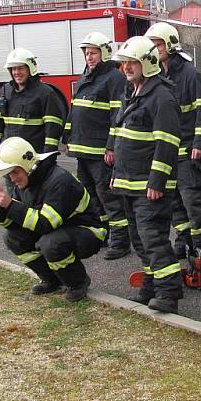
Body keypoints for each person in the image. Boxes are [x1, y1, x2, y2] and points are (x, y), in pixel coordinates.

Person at [109, 36, 183, 314]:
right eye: (125, 63)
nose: (127, 67)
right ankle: (151, 286)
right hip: (129, 182)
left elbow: (167, 143)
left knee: (154, 239)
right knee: (140, 239)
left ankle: (169, 293)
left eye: (133, 62)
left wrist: (157, 182)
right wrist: (116, 174)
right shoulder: (133, 93)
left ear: (147, 63)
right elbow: (123, 139)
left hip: (148, 186)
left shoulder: (161, 97)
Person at [0, 136, 104, 302]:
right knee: (13, 239)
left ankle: (77, 282)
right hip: (59, 231)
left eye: (15, 172)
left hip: (89, 232)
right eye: (9, 174)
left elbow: (45, 224)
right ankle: (51, 279)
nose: (12, 178)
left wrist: (10, 205)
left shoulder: (59, 181)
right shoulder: (27, 181)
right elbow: (14, 224)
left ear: (27, 164)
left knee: (50, 243)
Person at [145, 22, 201, 261]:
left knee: (194, 203)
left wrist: (199, 144)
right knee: (175, 203)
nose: (155, 50)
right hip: (168, 153)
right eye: (152, 46)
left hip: (188, 152)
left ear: (170, 45)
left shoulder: (190, 74)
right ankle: (184, 242)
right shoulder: (155, 76)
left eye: (158, 45)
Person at [61, 32, 131, 260]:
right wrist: (67, 134)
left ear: (105, 52)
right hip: (82, 150)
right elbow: (75, 108)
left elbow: (116, 116)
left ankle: (121, 241)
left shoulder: (113, 78)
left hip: (100, 152)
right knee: (91, 196)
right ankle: (105, 234)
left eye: (93, 53)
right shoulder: (86, 77)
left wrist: (111, 147)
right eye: (86, 53)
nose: (89, 57)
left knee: (109, 196)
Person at [0, 48, 65, 162]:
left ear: (30, 69)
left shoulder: (45, 93)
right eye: (13, 69)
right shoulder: (5, 91)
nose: (16, 72)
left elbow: (53, 128)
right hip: (11, 156)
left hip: (35, 156)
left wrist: (48, 155)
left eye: (20, 68)